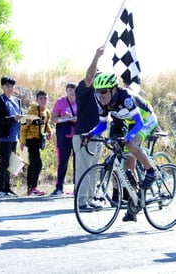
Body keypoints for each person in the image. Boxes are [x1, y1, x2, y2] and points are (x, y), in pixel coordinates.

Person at [81, 72, 158, 222]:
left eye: (103, 92)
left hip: (146, 119)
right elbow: (103, 124)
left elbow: (140, 123)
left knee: (131, 144)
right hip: (129, 123)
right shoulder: (102, 101)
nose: (100, 95)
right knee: (127, 164)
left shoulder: (126, 97)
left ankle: (151, 171)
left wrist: (128, 137)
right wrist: (89, 135)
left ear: (113, 90)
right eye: (97, 92)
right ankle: (135, 203)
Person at [72, 46, 104, 211]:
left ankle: (90, 199)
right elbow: (89, 77)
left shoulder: (100, 95)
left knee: (93, 170)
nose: (97, 79)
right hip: (84, 136)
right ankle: (81, 201)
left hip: (96, 137)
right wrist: (96, 57)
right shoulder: (83, 90)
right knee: (83, 170)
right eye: (96, 76)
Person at [0, 76, 22, 197]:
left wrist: (24, 120)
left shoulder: (17, 101)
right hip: (4, 137)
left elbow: (19, 117)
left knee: (11, 163)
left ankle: (7, 188)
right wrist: (12, 118)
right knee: (3, 162)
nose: (10, 88)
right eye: (7, 86)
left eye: (12, 86)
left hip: (14, 137)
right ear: (2, 87)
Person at [20, 90, 52, 196]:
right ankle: (32, 187)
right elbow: (24, 127)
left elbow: (46, 125)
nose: (43, 101)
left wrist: (49, 132)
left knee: (33, 164)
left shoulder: (47, 112)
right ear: (37, 100)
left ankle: (31, 188)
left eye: (45, 98)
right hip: (30, 140)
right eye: (41, 98)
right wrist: (23, 142)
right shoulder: (33, 111)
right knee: (38, 163)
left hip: (38, 140)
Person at [50, 82, 78, 196]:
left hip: (77, 135)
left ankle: (78, 187)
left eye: (74, 90)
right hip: (63, 136)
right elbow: (53, 119)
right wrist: (64, 118)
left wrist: (77, 119)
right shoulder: (60, 102)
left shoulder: (81, 102)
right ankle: (59, 187)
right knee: (62, 162)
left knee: (78, 162)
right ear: (66, 91)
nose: (72, 92)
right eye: (70, 90)